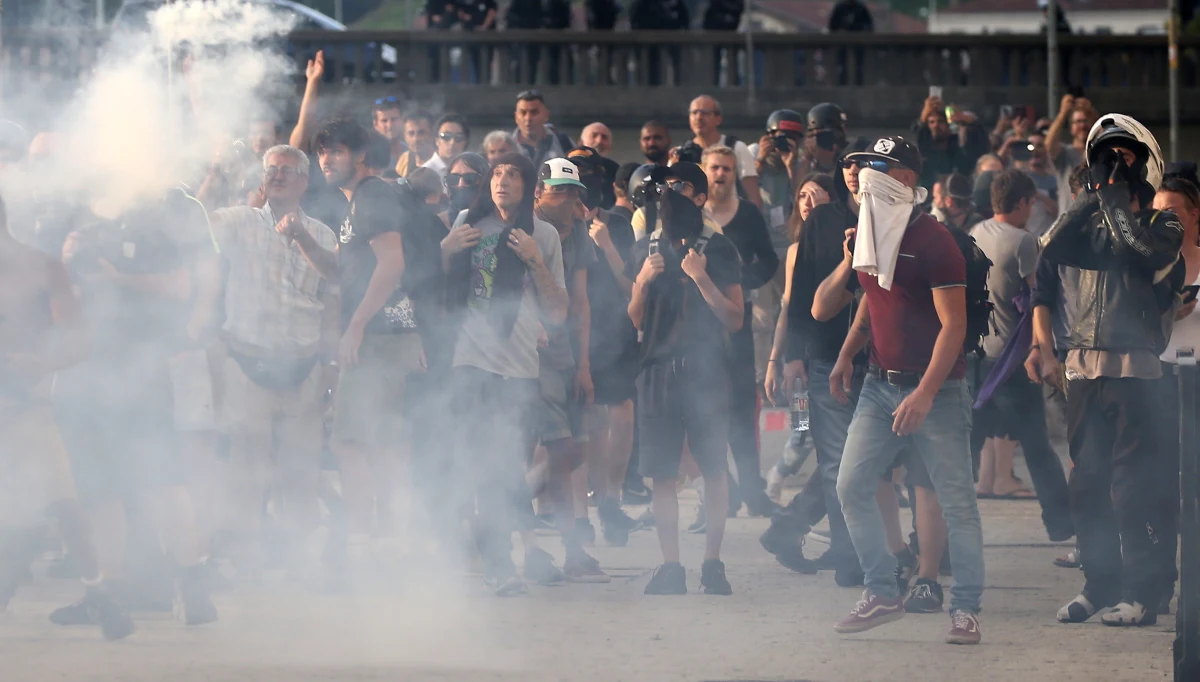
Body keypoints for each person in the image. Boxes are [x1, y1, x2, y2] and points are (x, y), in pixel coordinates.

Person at [815, 137, 985, 644]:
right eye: (863, 165)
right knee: (849, 485)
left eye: (877, 167)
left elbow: (954, 326)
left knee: (957, 502)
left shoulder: (935, 241)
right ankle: (882, 591)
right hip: (878, 384)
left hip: (939, 390)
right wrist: (847, 352)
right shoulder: (869, 232)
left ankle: (966, 608)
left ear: (906, 179)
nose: (864, 175)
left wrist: (926, 393)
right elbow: (860, 302)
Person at [1041, 114, 1183, 627]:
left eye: (1124, 156)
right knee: (1088, 485)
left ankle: (1144, 592)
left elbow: (1135, 251)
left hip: (1137, 371)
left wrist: (1115, 195)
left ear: (1145, 163)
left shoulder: (1164, 225)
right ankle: (1098, 585)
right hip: (1084, 366)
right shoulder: (1093, 222)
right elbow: (1051, 245)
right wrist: (1091, 192)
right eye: (1107, 156)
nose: (1114, 165)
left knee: (1133, 488)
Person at [57, 187, 220, 628]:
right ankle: (109, 594)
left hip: (141, 370)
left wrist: (118, 277)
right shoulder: (91, 226)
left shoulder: (155, 224)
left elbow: (180, 286)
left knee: (163, 478)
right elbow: (71, 298)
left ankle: (194, 589)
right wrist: (69, 261)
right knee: (102, 488)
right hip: (94, 370)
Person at [0, 196, 134, 640]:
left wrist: (41, 363)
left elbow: (79, 341)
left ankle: (97, 592)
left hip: (26, 408)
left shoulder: (42, 268)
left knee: (64, 503)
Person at [207, 144, 339, 578]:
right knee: (245, 468)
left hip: (304, 366)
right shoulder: (239, 222)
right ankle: (245, 558)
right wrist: (215, 173)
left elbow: (332, 299)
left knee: (300, 469)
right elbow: (196, 224)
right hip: (248, 361)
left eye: (287, 170)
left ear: (304, 181)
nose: (278, 175)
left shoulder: (323, 234)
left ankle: (297, 559)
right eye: (271, 170)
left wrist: (330, 367)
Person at [441, 152, 568, 595]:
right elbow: (436, 285)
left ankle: (503, 551)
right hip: (469, 358)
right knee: (484, 460)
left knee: (510, 463)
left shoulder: (544, 235)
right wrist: (445, 250)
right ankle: (500, 563)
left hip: (519, 364)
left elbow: (558, 310)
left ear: (530, 186)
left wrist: (535, 260)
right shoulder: (466, 220)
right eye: (497, 174)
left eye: (513, 175)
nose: (502, 181)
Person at [626, 163, 743, 596]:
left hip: (705, 371)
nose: (671, 192)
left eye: (682, 186)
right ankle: (671, 566)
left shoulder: (720, 247)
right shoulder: (646, 247)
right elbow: (634, 319)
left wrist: (701, 277)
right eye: (666, 186)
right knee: (661, 475)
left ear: (700, 198)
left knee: (713, 468)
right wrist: (642, 281)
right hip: (657, 372)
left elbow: (735, 319)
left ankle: (713, 562)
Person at [315, 118, 426, 565]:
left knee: (350, 443)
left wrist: (356, 325)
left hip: (379, 337)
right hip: (391, 337)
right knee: (387, 444)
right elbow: (339, 270)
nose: (326, 159)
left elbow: (392, 263)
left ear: (360, 156)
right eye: (322, 152)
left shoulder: (373, 195)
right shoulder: (359, 201)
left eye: (336, 151)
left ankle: (363, 544)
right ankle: (395, 543)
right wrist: (300, 237)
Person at [761, 170, 868, 584]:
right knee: (825, 451)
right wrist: (784, 359)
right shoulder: (797, 247)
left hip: (852, 361)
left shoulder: (852, 222)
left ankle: (790, 528)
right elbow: (792, 305)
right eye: (802, 195)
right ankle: (845, 552)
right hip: (814, 364)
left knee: (844, 460)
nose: (807, 202)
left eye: (815, 194)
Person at [968, 169, 1073, 542]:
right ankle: (1061, 524)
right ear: (1024, 202)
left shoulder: (977, 231)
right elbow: (1038, 298)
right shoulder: (1024, 242)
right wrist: (1043, 350)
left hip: (978, 360)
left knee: (967, 447)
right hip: (1013, 362)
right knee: (1037, 447)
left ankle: (942, 530)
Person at [525, 158, 610, 582]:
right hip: (526, 352)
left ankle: (501, 519)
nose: (566, 199)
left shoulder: (578, 234)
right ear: (538, 192)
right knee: (554, 449)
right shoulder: (524, 228)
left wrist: (584, 364)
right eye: (558, 190)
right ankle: (549, 549)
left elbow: (581, 302)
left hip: (564, 354)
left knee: (574, 450)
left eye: (572, 192)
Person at [702, 147, 779, 518]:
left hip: (738, 319)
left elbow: (769, 260)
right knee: (704, 409)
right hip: (698, 325)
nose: (720, 174)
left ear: (735, 174)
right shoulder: (693, 214)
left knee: (743, 409)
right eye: (714, 168)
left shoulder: (747, 214)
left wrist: (739, 281)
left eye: (727, 169)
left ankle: (752, 489)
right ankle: (725, 492)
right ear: (704, 171)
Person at [754, 109, 808, 386]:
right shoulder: (753, 156)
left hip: (789, 249)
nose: (783, 143)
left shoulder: (801, 161)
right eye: (778, 137)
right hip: (761, 249)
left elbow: (802, 201)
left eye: (790, 138)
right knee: (762, 319)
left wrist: (791, 166)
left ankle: (791, 374)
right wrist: (759, 161)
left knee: (791, 312)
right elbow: (744, 193)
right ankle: (763, 379)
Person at [688, 95, 762, 209]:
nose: (699, 117)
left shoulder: (737, 148)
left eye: (705, 113)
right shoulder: (682, 153)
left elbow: (753, 195)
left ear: (718, 119)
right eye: (694, 112)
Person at [915, 98, 989, 191]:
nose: (936, 125)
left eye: (940, 121)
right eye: (931, 122)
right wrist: (923, 119)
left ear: (949, 126)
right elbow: (920, 138)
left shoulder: (959, 153)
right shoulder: (925, 154)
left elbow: (981, 147)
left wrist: (971, 122)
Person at [1046, 94, 1098, 212]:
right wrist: (1063, 113)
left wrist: (1092, 113)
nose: (1082, 125)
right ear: (1071, 128)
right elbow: (1048, 145)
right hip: (1068, 217)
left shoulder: (1097, 153)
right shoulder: (1064, 152)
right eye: (1078, 122)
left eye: (1086, 121)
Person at [513, 90, 575, 169]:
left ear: (546, 115)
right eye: (523, 112)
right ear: (516, 117)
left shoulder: (563, 142)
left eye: (534, 112)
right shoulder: (505, 146)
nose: (528, 118)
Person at [802, 103, 853, 176]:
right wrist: (806, 159)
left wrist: (828, 158)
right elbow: (800, 182)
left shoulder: (852, 152)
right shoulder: (810, 160)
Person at [423, 113, 470, 181]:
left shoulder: (471, 171)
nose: (452, 142)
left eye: (458, 137)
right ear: (437, 141)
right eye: (446, 136)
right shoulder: (426, 172)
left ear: (465, 142)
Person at [395, 111, 435, 179]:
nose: (416, 139)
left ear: (432, 134)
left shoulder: (441, 160)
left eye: (421, 133)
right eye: (411, 133)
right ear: (404, 136)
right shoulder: (404, 159)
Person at [371, 96, 407, 171]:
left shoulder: (411, 150)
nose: (390, 125)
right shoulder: (368, 156)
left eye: (394, 119)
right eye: (384, 121)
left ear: (402, 120)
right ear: (375, 124)